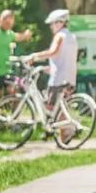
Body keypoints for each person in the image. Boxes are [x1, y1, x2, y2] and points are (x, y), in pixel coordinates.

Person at [24, 9, 78, 142]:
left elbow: (53, 52)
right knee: (57, 106)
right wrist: (48, 68)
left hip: (59, 78)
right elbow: (63, 58)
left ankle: (68, 128)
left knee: (50, 106)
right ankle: (60, 134)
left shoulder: (60, 36)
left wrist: (35, 56)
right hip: (69, 76)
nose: (51, 27)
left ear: (60, 23)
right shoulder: (71, 37)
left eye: (52, 24)